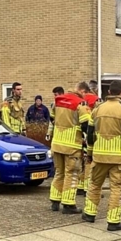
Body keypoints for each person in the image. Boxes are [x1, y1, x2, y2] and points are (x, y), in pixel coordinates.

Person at [82, 80, 121, 231]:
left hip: (99, 156)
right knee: (117, 188)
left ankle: (89, 213)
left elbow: (90, 134)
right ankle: (113, 222)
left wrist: (90, 153)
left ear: (108, 92)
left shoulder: (97, 110)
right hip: (118, 158)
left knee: (94, 184)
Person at [47, 85, 92, 214]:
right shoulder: (81, 104)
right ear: (81, 92)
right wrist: (89, 143)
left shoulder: (58, 101)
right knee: (71, 174)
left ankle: (55, 201)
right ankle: (68, 204)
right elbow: (86, 126)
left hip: (57, 143)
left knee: (59, 172)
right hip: (72, 145)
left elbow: (52, 120)